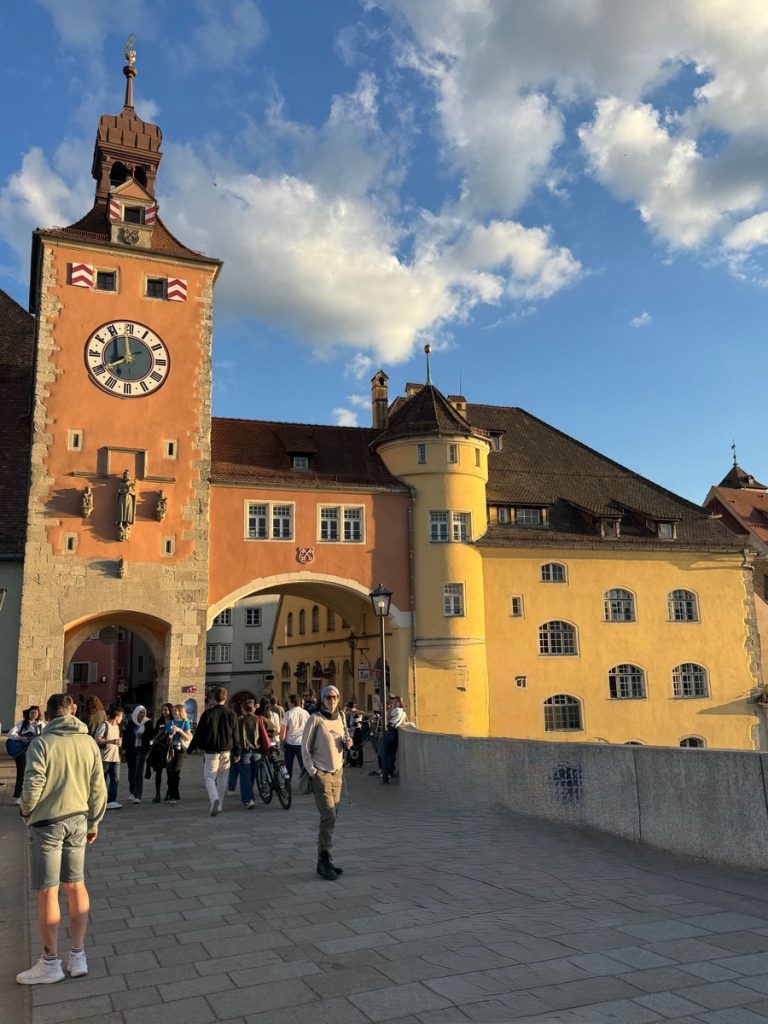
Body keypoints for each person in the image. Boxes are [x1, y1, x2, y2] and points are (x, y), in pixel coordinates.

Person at [16, 692, 107, 985]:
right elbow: (98, 787)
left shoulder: (42, 744)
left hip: (48, 822)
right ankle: (78, 955)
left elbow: (33, 784)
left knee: (47, 891)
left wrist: (26, 810)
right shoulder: (88, 742)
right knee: (76, 885)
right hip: (79, 819)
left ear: (46, 714)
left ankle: (50, 961)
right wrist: (94, 821)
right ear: (74, 711)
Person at [301, 685, 352, 880]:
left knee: (332, 816)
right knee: (328, 815)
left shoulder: (341, 716)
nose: (332, 700)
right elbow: (305, 748)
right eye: (329, 697)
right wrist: (313, 771)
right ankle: (323, 860)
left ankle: (326, 859)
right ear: (322, 699)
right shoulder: (315, 719)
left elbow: (345, 737)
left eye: (335, 697)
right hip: (321, 773)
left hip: (337, 772)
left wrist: (348, 743)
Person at [188, 687, 240, 817]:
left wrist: (189, 749)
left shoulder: (207, 714)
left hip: (211, 750)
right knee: (223, 777)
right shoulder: (231, 713)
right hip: (227, 749)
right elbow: (235, 735)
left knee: (209, 777)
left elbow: (198, 733)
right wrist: (237, 751)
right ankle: (220, 803)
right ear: (225, 697)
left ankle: (214, 798)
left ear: (213, 698)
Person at [9, 705, 43, 803]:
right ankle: (18, 796)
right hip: (21, 752)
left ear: (38, 714)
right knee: (21, 773)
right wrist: (20, 738)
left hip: (33, 752)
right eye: (32, 712)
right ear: (28, 713)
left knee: (33, 774)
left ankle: (30, 797)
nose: (33, 714)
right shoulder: (23, 723)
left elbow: (44, 735)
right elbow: (10, 733)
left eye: (35, 713)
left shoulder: (40, 725)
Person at [94, 707, 124, 808]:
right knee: (102, 780)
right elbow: (97, 739)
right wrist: (111, 742)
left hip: (115, 757)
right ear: (116, 717)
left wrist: (119, 743)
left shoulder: (117, 727)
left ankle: (112, 801)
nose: (122, 719)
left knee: (115, 779)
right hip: (104, 758)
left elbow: (116, 740)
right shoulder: (104, 725)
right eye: (121, 717)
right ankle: (100, 801)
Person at [123, 705, 153, 803]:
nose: (142, 715)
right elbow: (126, 736)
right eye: (140, 713)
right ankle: (132, 791)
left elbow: (150, 735)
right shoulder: (131, 722)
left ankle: (138, 795)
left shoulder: (147, 722)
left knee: (139, 771)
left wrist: (143, 736)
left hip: (142, 749)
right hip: (131, 749)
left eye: (144, 713)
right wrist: (124, 748)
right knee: (131, 771)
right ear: (136, 713)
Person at [237, 699, 262, 809]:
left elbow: (236, 737)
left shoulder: (240, 720)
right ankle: (250, 795)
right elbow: (274, 729)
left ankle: (248, 799)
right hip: (257, 751)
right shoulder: (259, 719)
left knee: (245, 776)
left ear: (243, 709)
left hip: (245, 751)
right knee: (251, 776)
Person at [164, 705, 191, 802]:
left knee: (176, 771)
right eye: (173, 711)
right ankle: (173, 794)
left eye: (176, 711)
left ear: (180, 711)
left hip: (180, 750)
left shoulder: (185, 722)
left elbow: (188, 737)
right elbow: (166, 737)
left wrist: (179, 730)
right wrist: (171, 733)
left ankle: (173, 796)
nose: (174, 712)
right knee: (169, 772)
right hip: (170, 749)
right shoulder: (169, 722)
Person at [148, 703, 173, 802]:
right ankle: (157, 794)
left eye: (166, 710)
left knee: (169, 772)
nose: (164, 712)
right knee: (158, 772)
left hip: (169, 749)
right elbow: (154, 733)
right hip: (159, 749)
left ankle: (168, 792)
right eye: (163, 710)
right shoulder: (160, 721)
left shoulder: (173, 721)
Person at [280, 693, 309, 779]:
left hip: (290, 743)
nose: (287, 703)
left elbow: (283, 730)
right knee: (303, 765)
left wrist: (282, 742)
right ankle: (306, 784)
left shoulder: (288, 714)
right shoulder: (306, 713)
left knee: (288, 766)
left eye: (289, 702)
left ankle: (288, 784)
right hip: (302, 742)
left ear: (293, 702)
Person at [382, 695, 407, 784]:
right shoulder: (404, 712)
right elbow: (403, 722)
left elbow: (388, 717)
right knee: (392, 753)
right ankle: (391, 772)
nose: (394, 703)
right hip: (396, 732)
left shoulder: (396, 710)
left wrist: (390, 709)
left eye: (395, 701)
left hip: (390, 730)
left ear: (398, 702)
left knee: (386, 752)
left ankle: (386, 772)